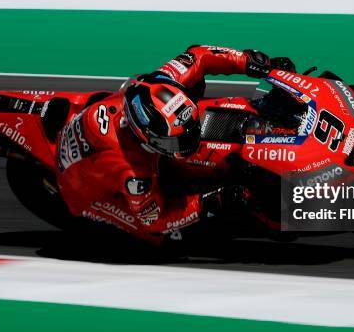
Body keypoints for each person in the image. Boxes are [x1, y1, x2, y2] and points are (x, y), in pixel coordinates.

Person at [55, 45, 294, 244]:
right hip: (84, 189)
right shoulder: (134, 172)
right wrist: (211, 200)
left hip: (99, 119)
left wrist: (252, 62)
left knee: (201, 92)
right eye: (177, 141)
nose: (189, 142)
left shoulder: (162, 82)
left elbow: (200, 55)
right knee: (163, 239)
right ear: (146, 138)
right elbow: (156, 219)